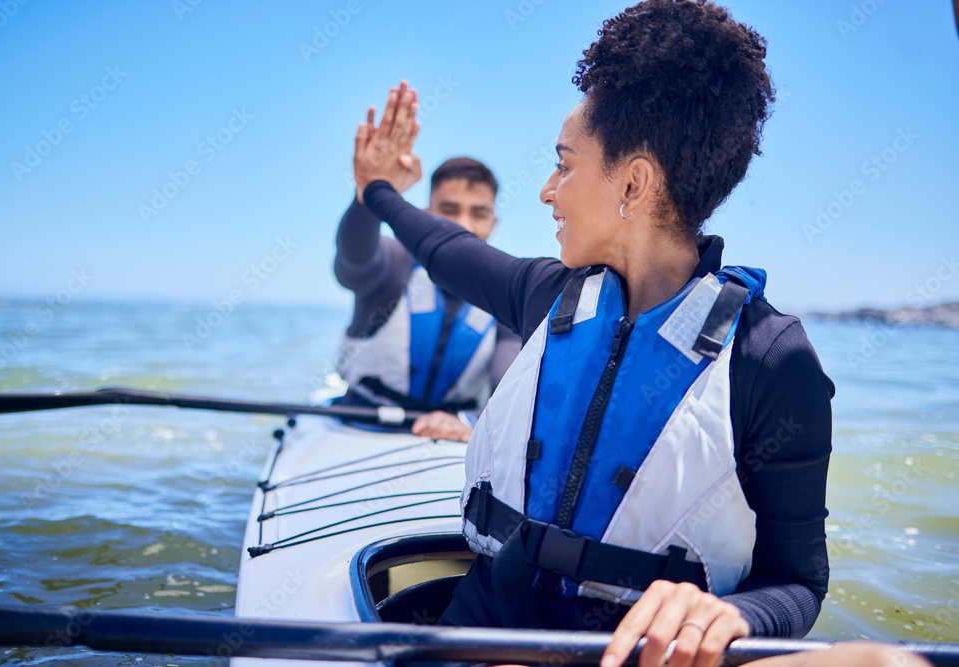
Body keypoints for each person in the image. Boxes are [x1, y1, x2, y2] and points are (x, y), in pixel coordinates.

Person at [349, 1, 840, 665]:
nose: (548, 191)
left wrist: (730, 613)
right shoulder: (548, 295)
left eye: (564, 164)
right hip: (483, 629)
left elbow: (799, 581)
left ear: (633, 185)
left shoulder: (769, 360)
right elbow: (440, 246)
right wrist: (378, 189)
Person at [332, 155, 521, 442]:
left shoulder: (506, 294)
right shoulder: (392, 263)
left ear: (493, 224)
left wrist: (468, 422)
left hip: (449, 438)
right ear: (423, 216)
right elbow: (353, 260)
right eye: (449, 210)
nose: (464, 226)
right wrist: (369, 193)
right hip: (359, 426)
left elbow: (509, 389)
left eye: (478, 214)